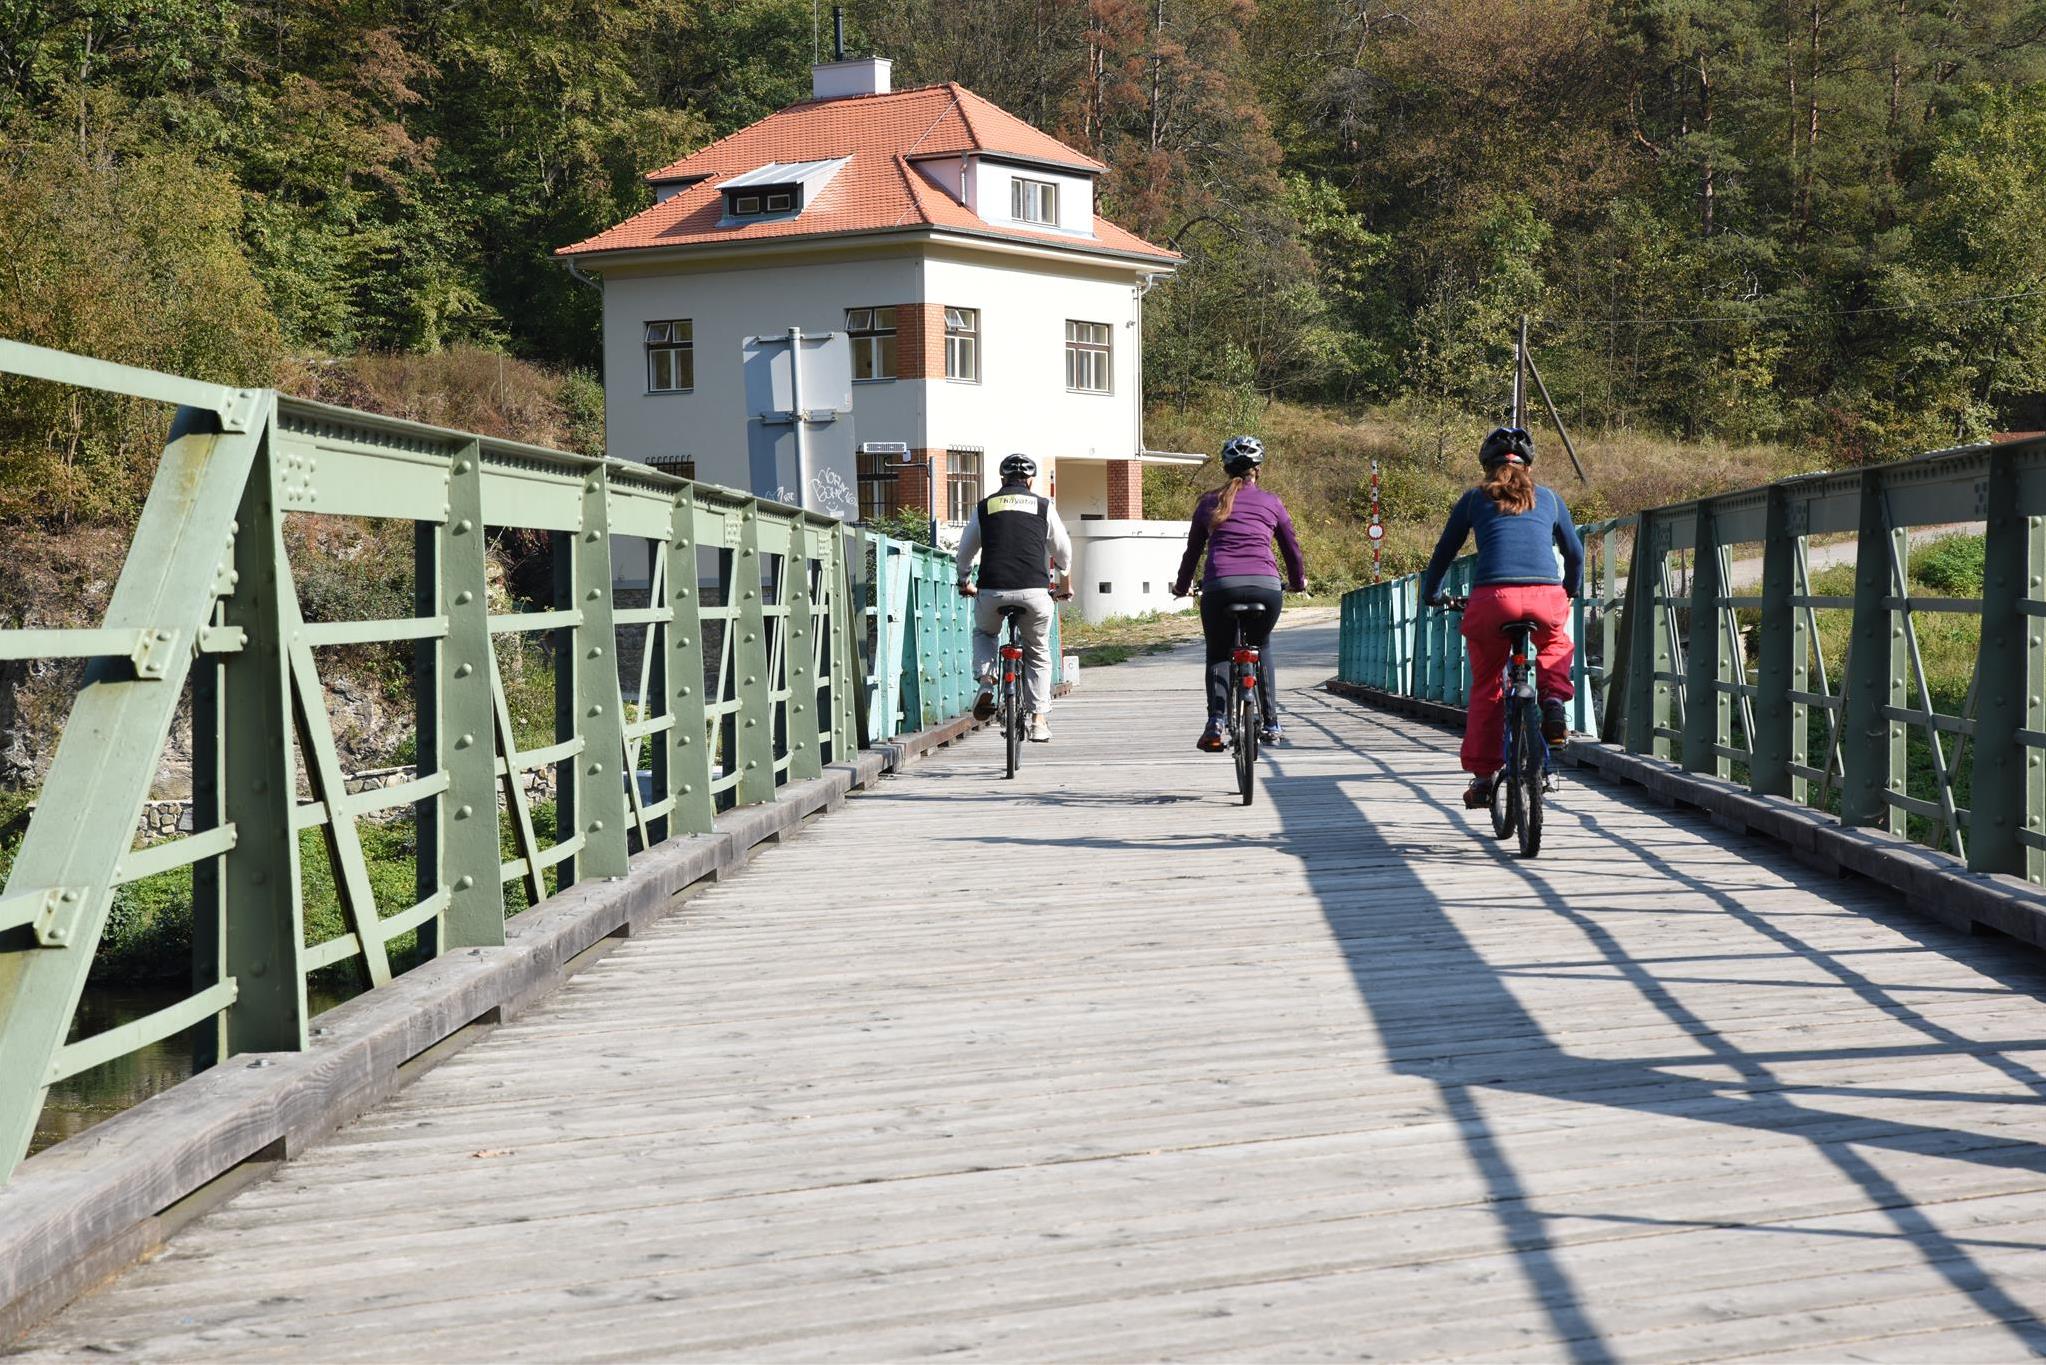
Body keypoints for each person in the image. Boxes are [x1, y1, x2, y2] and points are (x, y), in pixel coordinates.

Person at [1420, 426, 1584, 809]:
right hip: (1545, 597)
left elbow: (1445, 552)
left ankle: (1481, 779)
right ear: (1528, 465)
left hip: (1492, 599)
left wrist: (1432, 593)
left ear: (1487, 465)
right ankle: (1554, 703)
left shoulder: (1474, 499)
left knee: (1488, 685)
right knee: (1556, 643)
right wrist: (1569, 590)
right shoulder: (1550, 499)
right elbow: (1574, 554)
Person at [1170, 435, 1308, 753]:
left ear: (1225, 468)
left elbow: (1192, 553)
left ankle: (1215, 723)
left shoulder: (1208, 502)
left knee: (1219, 653)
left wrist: (1181, 586)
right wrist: (1298, 582)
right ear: (1257, 470)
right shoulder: (1272, 502)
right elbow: (1292, 550)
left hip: (1220, 587)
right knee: (1262, 645)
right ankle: (1272, 723)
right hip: (1266, 587)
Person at [956, 454, 1073, 743]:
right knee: (1037, 651)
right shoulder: (1044, 506)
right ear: (1030, 481)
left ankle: (986, 683)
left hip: (992, 589)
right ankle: (1039, 720)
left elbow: (965, 553)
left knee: (985, 632)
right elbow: (1064, 553)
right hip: (1034, 591)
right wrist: (1063, 583)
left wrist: (964, 581)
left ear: (1002, 480)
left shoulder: (985, 507)